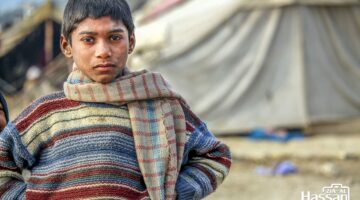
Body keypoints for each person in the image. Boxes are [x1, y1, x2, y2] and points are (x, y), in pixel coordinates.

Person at [0, 0, 231, 199]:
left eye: (114, 37)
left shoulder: (160, 103)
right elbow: (3, 158)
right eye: (88, 39)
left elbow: (214, 156)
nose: (103, 51)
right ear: (66, 46)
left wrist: (173, 193)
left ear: (131, 42)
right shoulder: (45, 112)